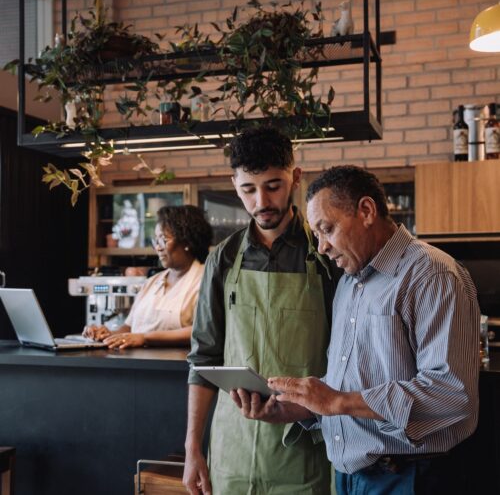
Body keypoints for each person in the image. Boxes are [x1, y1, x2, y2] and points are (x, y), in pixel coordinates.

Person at [232, 165, 480, 495]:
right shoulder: (350, 281)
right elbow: (353, 386)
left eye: (327, 229)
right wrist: (304, 408)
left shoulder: (431, 274)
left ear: (365, 211)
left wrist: (338, 402)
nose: (321, 247)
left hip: (408, 478)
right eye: (316, 234)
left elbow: (451, 394)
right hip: (350, 475)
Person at [183, 127, 338, 495]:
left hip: (303, 446)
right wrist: (193, 448)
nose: (261, 201)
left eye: (273, 185)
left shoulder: (325, 254)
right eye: (248, 190)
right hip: (233, 445)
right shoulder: (223, 258)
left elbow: (348, 358)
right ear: (234, 184)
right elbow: (204, 358)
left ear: (295, 178)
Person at [84, 205, 213, 349]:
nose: (158, 247)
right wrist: (108, 335)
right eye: (156, 240)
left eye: (164, 239)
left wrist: (145, 338)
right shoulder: (152, 282)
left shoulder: (206, 280)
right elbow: (128, 327)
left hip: (176, 367)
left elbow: (203, 331)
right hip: (138, 366)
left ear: (187, 241)